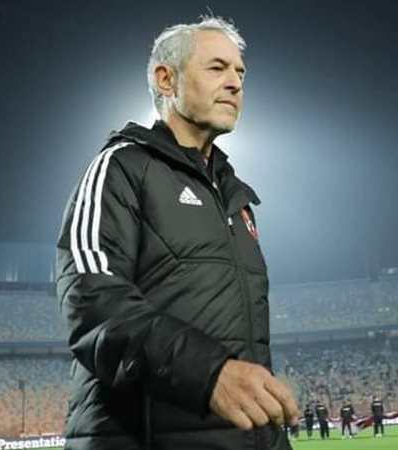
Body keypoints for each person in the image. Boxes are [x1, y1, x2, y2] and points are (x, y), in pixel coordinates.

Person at [56, 14, 298, 450]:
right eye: (217, 68)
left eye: (240, 72)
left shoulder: (236, 197)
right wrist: (209, 373)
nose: (235, 83)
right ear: (166, 79)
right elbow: (91, 298)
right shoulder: (121, 168)